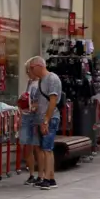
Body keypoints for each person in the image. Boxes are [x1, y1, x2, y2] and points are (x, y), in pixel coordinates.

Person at [19, 56, 62, 190]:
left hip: (50, 118)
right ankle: (48, 177)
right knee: (44, 148)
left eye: (31, 68)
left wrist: (46, 120)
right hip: (42, 118)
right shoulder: (41, 81)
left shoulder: (52, 79)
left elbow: (53, 100)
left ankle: (50, 179)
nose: (30, 71)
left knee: (47, 149)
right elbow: (39, 101)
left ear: (39, 66)